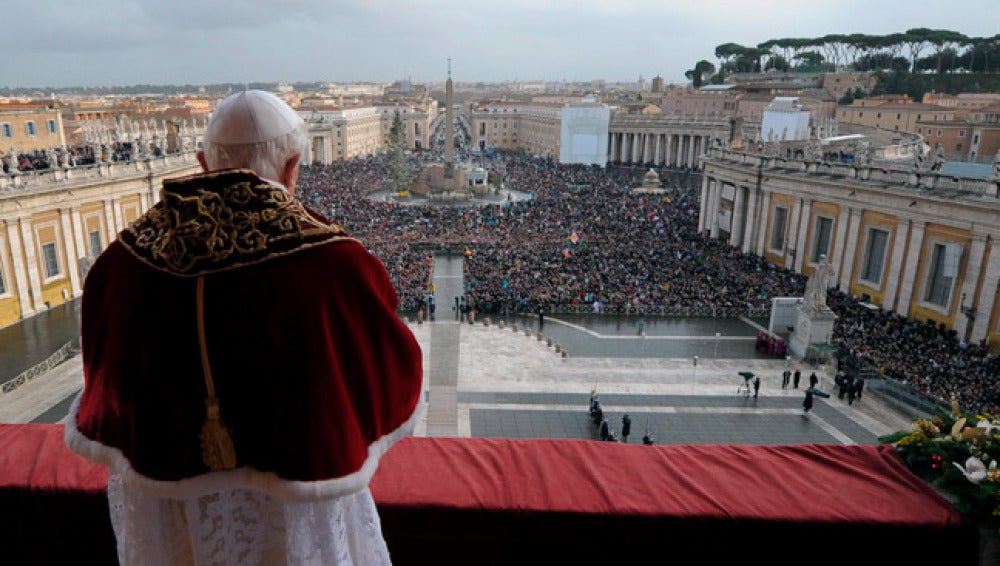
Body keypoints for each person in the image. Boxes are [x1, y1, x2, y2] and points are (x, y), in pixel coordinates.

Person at [64, 90, 425, 565]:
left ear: (202, 163)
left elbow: (106, 393)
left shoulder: (120, 266)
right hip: (297, 511)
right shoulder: (338, 268)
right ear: (294, 165)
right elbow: (391, 378)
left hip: (174, 512)